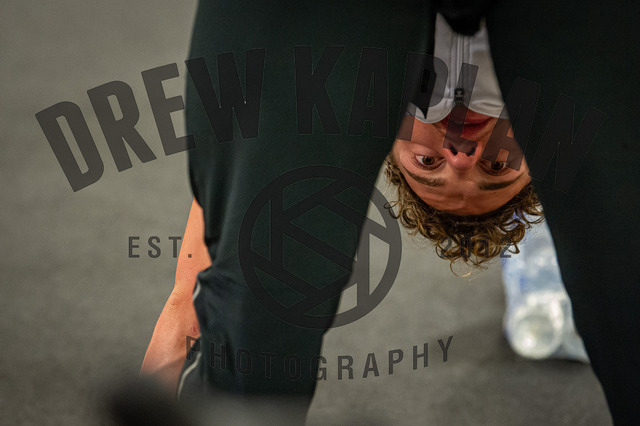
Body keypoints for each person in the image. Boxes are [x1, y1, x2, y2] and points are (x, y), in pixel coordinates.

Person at [141, 1, 640, 424]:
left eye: (428, 164)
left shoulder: (359, 81)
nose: (461, 157)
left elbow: (256, 171)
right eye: (496, 166)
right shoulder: (568, 90)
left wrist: (186, 296)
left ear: (389, 144)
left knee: (267, 299)